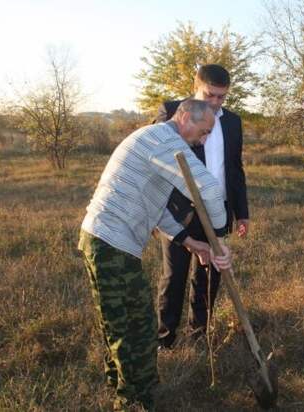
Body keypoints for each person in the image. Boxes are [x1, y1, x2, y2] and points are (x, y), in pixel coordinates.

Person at [78, 99, 233, 411]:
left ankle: (128, 385)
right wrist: (217, 237)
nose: (203, 140)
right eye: (203, 132)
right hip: (109, 244)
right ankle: (134, 400)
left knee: (125, 322)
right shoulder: (165, 141)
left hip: (108, 242)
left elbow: (158, 208)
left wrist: (192, 242)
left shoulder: (156, 140)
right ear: (186, 117)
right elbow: (212, 192)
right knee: (133, 327)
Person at [153, 64, 249, 349]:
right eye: (210, 96)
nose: (216, 103)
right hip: (179, 213)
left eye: (222, 98)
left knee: (211, 273)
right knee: (175, 275)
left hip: (217, 209)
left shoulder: (232, 122)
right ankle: (165, 339)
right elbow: (156, 160)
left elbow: (235, 168)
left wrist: (241, 212)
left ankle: (199, 334)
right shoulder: (172, 112)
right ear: (196, 87)